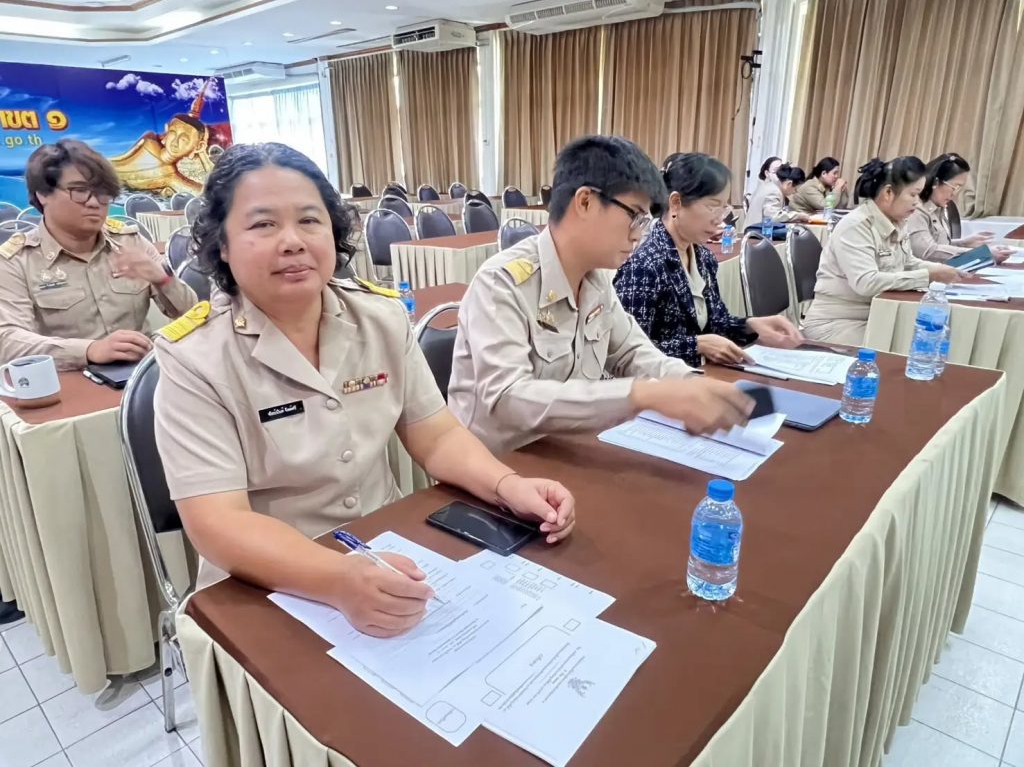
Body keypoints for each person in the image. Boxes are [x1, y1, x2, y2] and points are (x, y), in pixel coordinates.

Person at [153, 143, 575, 638]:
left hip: (385, 546)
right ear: (222, 244)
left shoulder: (380, 317)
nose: (292, 241)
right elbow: (218, 523)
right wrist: (335, 579)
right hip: (265, 580)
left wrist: (508, 485)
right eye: (263, 224)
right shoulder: (194, 358)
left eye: (309, 220)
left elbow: (437, 436)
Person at [447, 135, 755, 456]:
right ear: (585, 201)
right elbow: (507, 399)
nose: (639, 234)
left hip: (563, 451)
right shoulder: (502, 283)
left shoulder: (596, 279)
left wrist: (690, 384)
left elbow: (632, 352)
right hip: (496, 464)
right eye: (635, 215)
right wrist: (641, 395)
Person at [0, 139, 197, 370]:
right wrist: (89, 350)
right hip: (69, 378)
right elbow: (8, 341)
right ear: (43, 194)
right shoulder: (16, 261)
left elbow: (194, 314)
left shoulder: (130, 243)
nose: (95, 203)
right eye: (80, 191)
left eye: (103, 193)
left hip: (141, 374)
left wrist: (164, 280)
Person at [615, 152, 803, 367]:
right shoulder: (643, 266)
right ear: (676, 203)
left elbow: (717, 322)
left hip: (701, 373)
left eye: (723, 207)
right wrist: (696, 345)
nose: (719, 219)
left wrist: (751, 325)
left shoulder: (703, 257)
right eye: (712, 206)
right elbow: (629, 354)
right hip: (664, 382)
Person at [802, 157, 961, 346]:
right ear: (888, 192)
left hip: (876, 315)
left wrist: (943, 270)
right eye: (913, 194)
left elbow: (908, 262)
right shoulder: (856, 226)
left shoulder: (898, 221)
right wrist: (928, 276)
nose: (918, 203)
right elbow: (866, 282)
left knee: (937, 336)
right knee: (916, 345)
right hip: (838, 323)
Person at [905, 153, 1011, 263]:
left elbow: (940, 245)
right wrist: (982, 254)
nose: (955, 194)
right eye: (955, 187)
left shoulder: (938, 208)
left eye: (959, 188)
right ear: (936, 182)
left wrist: (965, 243)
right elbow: (927, 251)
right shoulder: (916, 209)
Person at [746, 163, 811, 227]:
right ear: (789, 184)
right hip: (756, 231)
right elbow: (773, 217)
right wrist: (798, 215)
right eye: (795, 189)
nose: (795, 192)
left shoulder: (770, 186)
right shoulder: (774, 192)